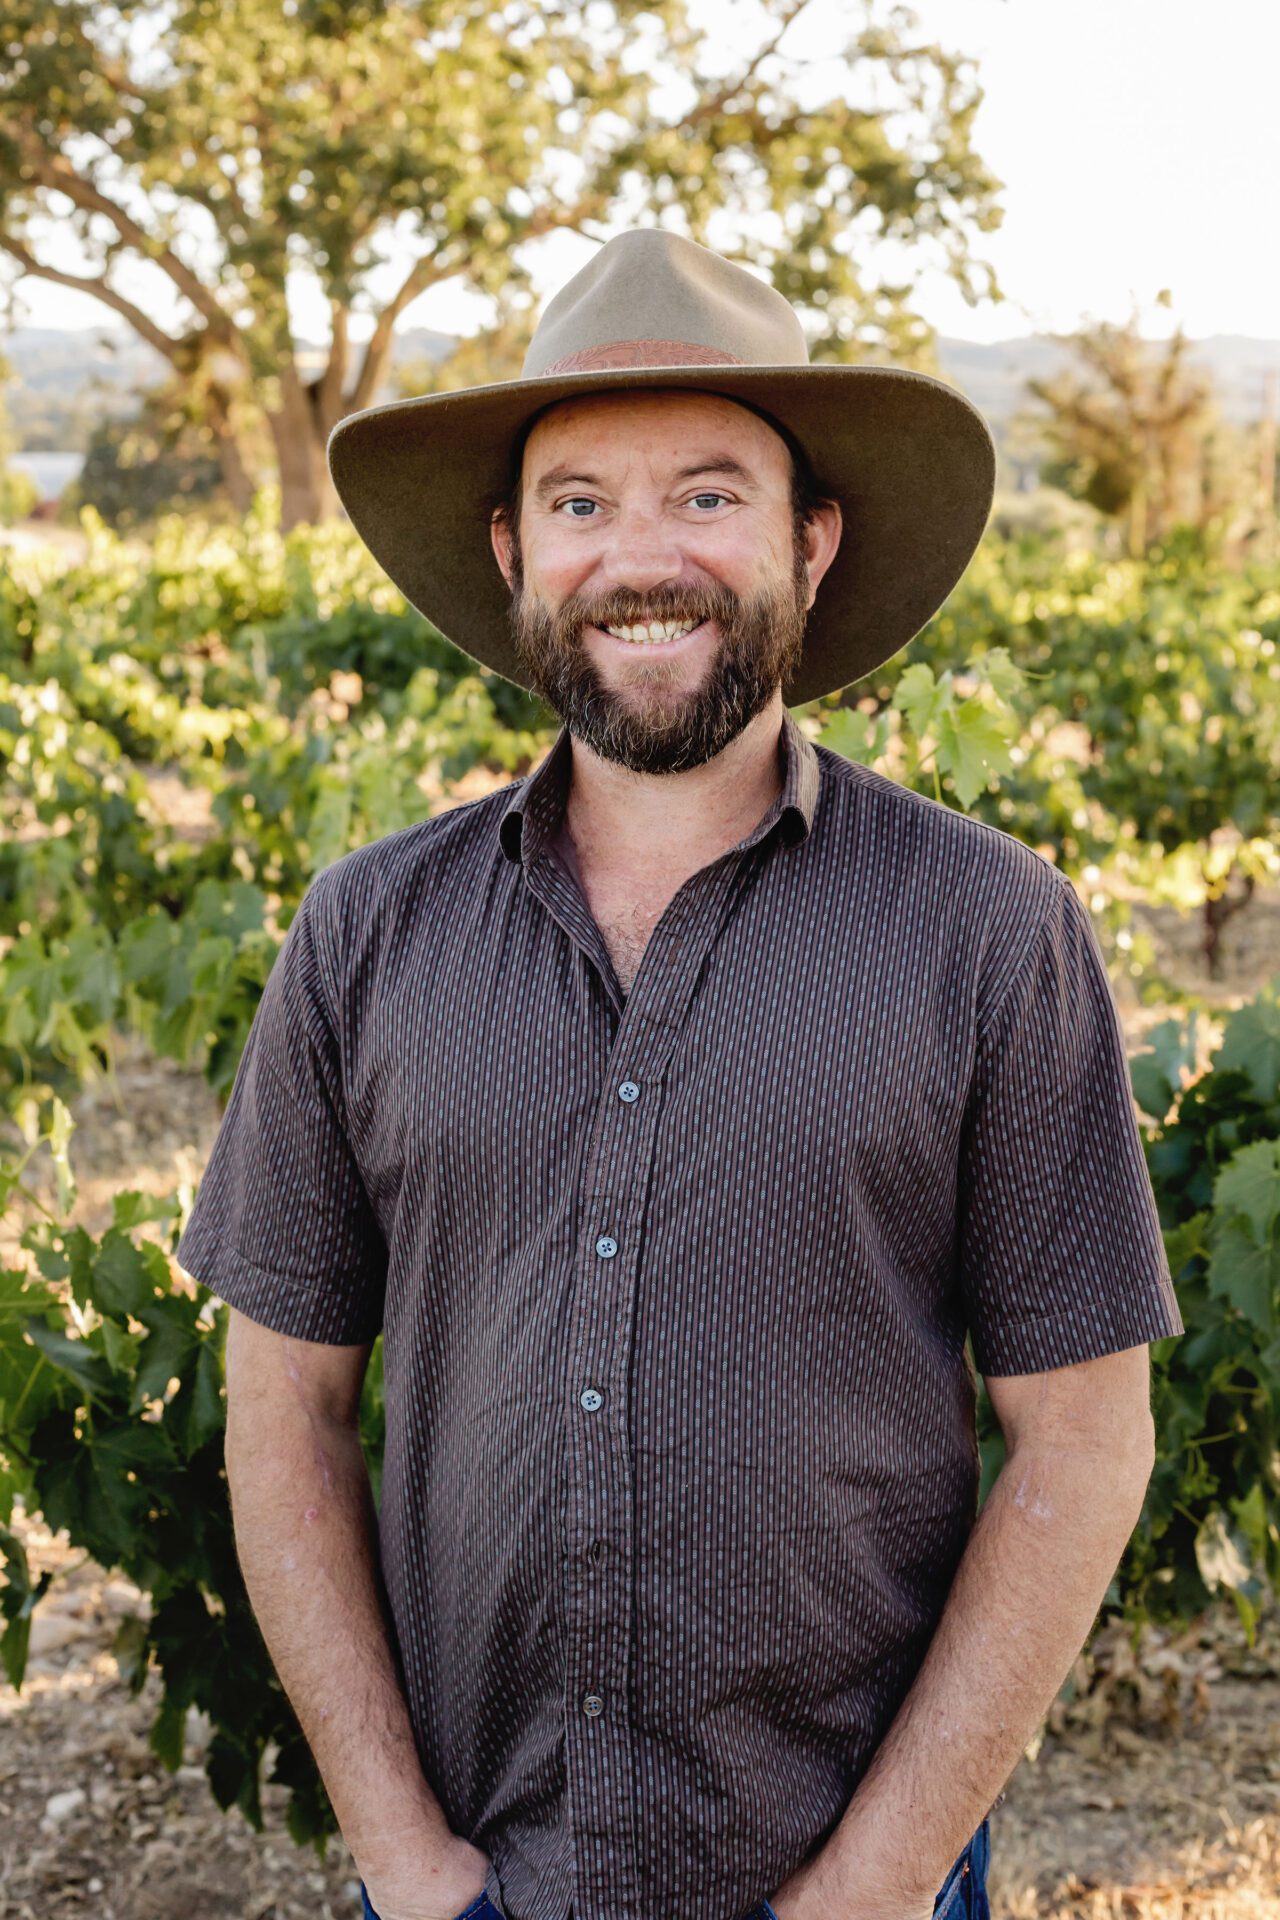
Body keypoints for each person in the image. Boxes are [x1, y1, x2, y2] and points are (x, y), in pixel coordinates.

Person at [176, 228, 1184, 1920]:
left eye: (709, 495)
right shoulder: (364, 933)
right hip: (471, 1888)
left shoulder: (988, 929)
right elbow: (284, 1408)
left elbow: (1086, 1443)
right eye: (580, 504)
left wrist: (875, 1880)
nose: (642, 556)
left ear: (814, 536)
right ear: (513, 552)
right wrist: (405, 1864)